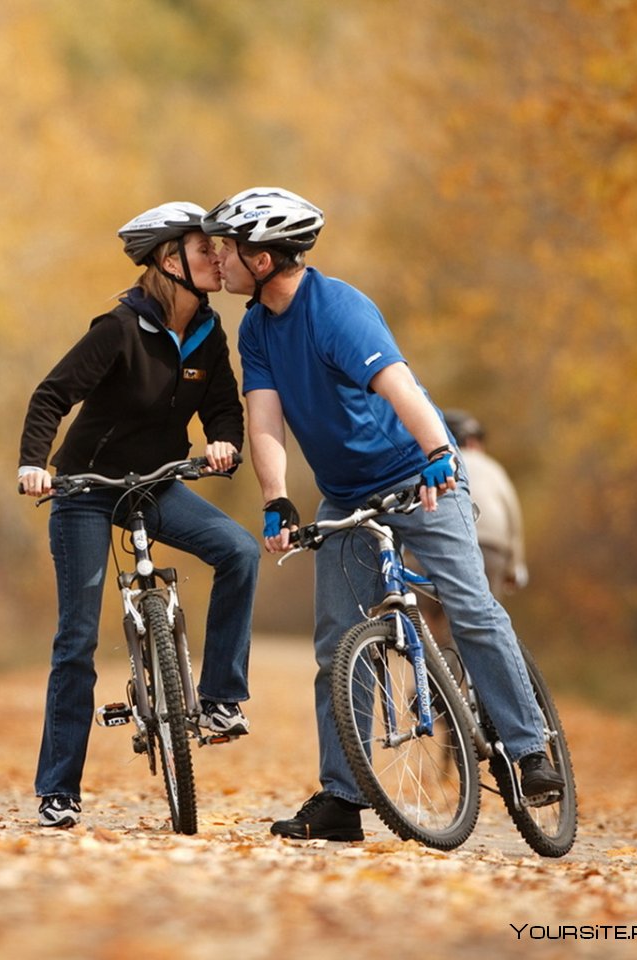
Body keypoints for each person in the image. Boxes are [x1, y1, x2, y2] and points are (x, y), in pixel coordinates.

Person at [201, 186, 564, 842]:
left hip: (420, 477)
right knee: (339, 643)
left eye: (230, 248)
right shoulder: (254, 326)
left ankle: (527, 748)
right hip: (347, 496)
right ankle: (343, 799)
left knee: (472, 606)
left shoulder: (337, 308)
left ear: (264, 258)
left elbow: (399, 386)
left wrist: (436, 454)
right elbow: (264, 423)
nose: (218, 259)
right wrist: (277, 498)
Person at [17, 202, 261, 829]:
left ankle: (220, 700)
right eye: (202, 249)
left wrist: (222, 443)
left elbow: (224, 410)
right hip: (85, 490)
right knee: (77, 640)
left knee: (238, 550)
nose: (216, 258)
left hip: (155, 485)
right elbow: (52, 395)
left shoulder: (209, 333)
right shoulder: (119, 328)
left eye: (216, 250)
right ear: (167, 259)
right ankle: (59, 790)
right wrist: (34, 464)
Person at [443, 409, 528, 597]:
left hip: (443, 541)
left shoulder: (435, 464)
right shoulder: (493, 468)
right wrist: (515, 566)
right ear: (472, 442)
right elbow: (512, 517)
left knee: (428, 611)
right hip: (492, 545)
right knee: (487, 610)